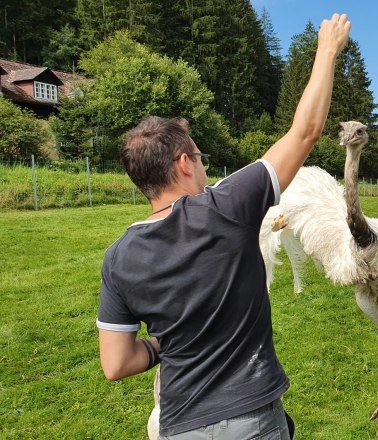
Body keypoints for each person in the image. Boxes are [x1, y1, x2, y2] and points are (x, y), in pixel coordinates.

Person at [95, 13, 351, 439]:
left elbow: (116, 364)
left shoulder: (118, 258)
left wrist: (162, 344)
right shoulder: (226, 206)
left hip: (178, 426)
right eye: (200, 158)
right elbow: (305, 131)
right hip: (252, 419)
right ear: (183, 163)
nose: (203, 168)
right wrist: (327, 50)